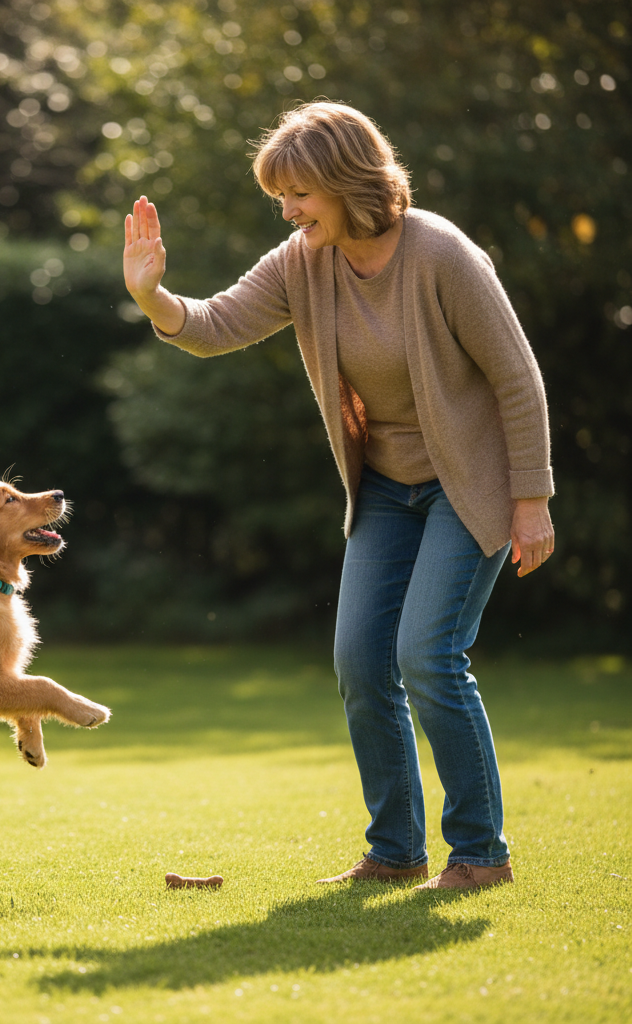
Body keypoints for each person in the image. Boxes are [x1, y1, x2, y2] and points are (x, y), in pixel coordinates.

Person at [122, 101, 555, 890]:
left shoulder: (441, 254)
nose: (287, 213)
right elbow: (217, 322)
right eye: (280, 199)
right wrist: (155, 297)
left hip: (470, 484)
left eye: (297, 196)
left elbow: (517, 380)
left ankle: (480, 855)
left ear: (346, 182)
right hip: (386, 490)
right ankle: (395, 851)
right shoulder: (302, 261)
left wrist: (533, 499)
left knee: (427, 655)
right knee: (360, 660)